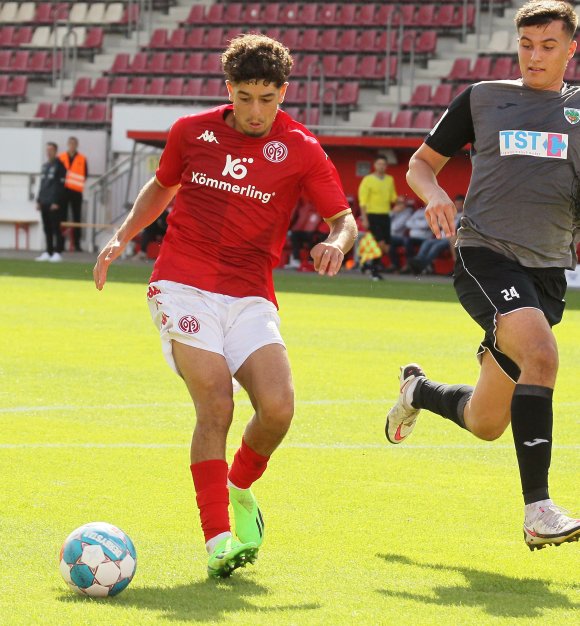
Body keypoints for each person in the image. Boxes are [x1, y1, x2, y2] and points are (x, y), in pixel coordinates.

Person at [93, 34, 357, 578]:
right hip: (182, 283)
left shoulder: (302, 149)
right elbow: (162, 186)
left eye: (267, 98)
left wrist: (337, 242)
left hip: (249, 293)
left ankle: (239, 485)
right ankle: (216, 539)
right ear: (228, 90)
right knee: (215, 401)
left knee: (279, 408)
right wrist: (122, 236)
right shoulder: (190, 132)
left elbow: (343, 218)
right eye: (244, 97)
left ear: (283, 93)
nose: (255, 111)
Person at [386, 0, 580, 550]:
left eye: (547, 46)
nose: (535, 57)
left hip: (546, 271)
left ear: (571, 47)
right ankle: (538, 510)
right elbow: (420, 164)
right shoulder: (483, 98)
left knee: (486, 421)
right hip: (485, 254)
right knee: (541, 355)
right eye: (526, 45)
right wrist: (435, 195)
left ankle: (417, 390)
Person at [358, 155, 398, 278]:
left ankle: (366, 265)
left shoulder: (389, 179)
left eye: (383, 164)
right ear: (374, 165)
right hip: (372, 215)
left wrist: (399, 202)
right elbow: (363, 202)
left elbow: (393, 198)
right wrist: (364, 218)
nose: (381, 166)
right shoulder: (367, 180)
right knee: (379, 243)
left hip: (385, 215)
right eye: (379, 164)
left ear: (386, 166)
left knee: (386, 247)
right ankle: (374, 271)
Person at [409, 194, 465, 275]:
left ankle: (422, 264)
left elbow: (457, 229)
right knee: (427, 242)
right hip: (441, 237)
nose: (457, 206)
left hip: (450, 239)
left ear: (463, 204)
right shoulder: (450, 212)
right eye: (456, 204)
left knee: (436, 246)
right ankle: (418, 260)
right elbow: (438, 224)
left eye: (460, 204)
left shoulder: (463, 216)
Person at [35, 142, 67, 263]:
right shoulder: (45, 166)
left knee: (56, 228)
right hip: (44, 202)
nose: (49, 152)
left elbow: (61, 186)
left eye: (51, 150)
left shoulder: (60, 166)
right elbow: (42, 185)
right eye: (47, 150)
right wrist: (39, 200)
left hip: (54, 203)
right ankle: (48, 251)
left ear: (55, 151)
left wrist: (57, 201)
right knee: (47, 228)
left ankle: (58, 252)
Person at [59, 136, 88, 252]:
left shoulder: (82, 158)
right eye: (70, 143)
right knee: (62, 217)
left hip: (76, 191)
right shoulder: (61, 157)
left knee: (77, 218)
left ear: (77, 145)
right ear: (67, 144)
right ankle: (60, 244)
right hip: (64, 191)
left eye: (74, 143)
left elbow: (85, 174)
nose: (72, 145)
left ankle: (77, 243)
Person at [285, 196, 322, 269]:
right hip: (305, 232)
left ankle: (311, 260)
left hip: (315, 232)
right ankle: (296, 260)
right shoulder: (304, 208)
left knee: (317, 237)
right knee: (294, 235)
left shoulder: (320, 209)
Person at [388, 195, 413, 272]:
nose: (398, 205)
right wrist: (393, 212)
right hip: (393, 237)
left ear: (405, 204)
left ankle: (408, 265)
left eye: (400, 203)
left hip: (402, 237)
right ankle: (394, 264)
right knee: (386, 240)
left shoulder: (408, 212)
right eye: (397, 203)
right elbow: (384, 223)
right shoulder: (393, 212)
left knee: (389, 239)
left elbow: (395, 227)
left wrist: (394, 213)